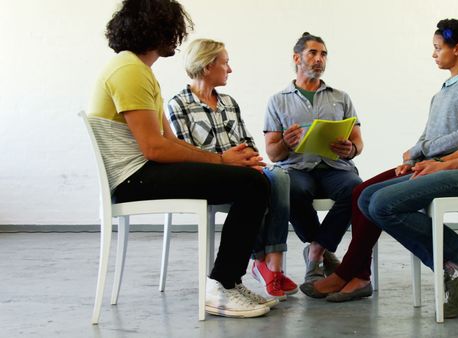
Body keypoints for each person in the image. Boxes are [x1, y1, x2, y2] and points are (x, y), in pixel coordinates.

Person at [88, 0, 276, 318]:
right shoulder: (129, 71)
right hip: (134, 178)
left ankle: (227, 282)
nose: (177, 37)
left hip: (142, 172)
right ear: (159, 29)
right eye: (174, 29)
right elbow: (154, 149)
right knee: (253, 184)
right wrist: (221, 161)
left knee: (252, 181)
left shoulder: (137, 70)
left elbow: (169, 142)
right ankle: (222, 285)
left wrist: (222, 159)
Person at [301, 19, 458, 302]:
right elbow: (428, 135)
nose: (434, 54)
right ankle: (359, 276)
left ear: (457, 49)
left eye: (438, 48)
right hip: (424, 163)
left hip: (445, 165)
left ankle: (350, 273)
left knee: (376, 201)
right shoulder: (442, 91)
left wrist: (420, 150)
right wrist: (412, 155)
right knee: (360, 191)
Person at [167, 38, 298, 300]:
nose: (230, 69)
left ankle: (271, 263)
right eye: (225, 63)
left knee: (280, 176)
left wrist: (248, 159)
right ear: (206, 67)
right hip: (212, 176)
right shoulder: (178, 105)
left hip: (245, 170)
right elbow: (187, 154)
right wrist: (226, 159)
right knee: (256, 185)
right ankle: (257, 262)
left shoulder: (229, 103)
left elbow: (249, 144)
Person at [263, 32, 364, 283]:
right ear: (297, 57)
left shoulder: (340, 97)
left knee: (356, 189)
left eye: (324, 54)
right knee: (291, 189)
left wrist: (349, 149)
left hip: (335, 166)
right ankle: (322, 249)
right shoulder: (277, 101)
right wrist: (286, 142)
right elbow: (272, 153)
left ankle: (316, 251)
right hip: (296, 168)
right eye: (313, 53)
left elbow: (358, 143)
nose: (319, 59)